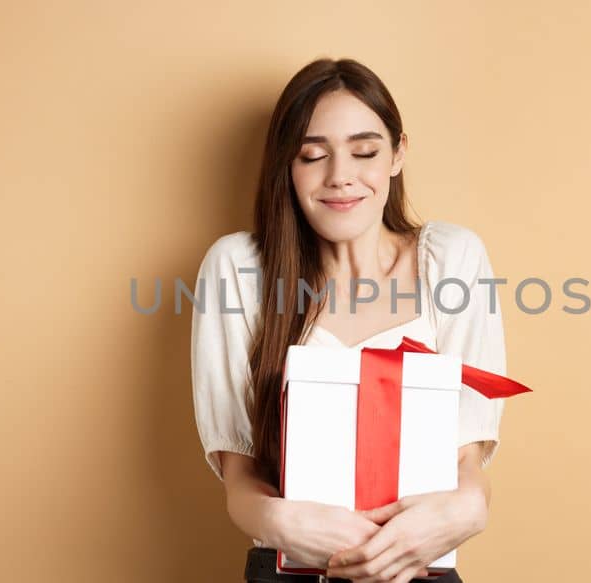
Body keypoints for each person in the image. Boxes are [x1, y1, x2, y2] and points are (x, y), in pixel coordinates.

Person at [191, 58, 512, 583]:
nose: (340, 176)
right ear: (286, 166)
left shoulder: (453, 259)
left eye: (365, 151)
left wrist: (468, 510)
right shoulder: (238, 270)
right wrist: (284, 521)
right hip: (289, 569)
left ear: (397, 154)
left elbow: (466, 467)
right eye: (313, 155)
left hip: (418, 568)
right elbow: (240, 480)